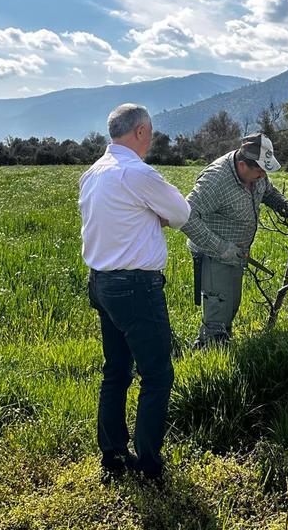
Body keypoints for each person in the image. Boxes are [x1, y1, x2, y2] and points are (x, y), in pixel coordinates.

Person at [78, 103, 191, 483]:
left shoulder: (92, 173)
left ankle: (111, 453)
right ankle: (148, 463)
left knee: (116, 371)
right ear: (141, 131)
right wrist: (156, 216)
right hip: (136, 287)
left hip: (101, 281)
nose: (152, 138)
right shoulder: (137, 173)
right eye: (152, 132)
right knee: (157, 374)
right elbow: (181, 213)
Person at [181, 133, 288, 348]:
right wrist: (221, 248)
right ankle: (209, 356)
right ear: (243, 165)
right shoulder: (216, 180)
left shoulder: (257, 174)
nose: (263, 176)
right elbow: (185, 216)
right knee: (218, 312)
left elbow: (268, 193)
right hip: (213, 254)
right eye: (260, 171)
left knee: (230, 306)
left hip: (237, 253)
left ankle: (222, 347)